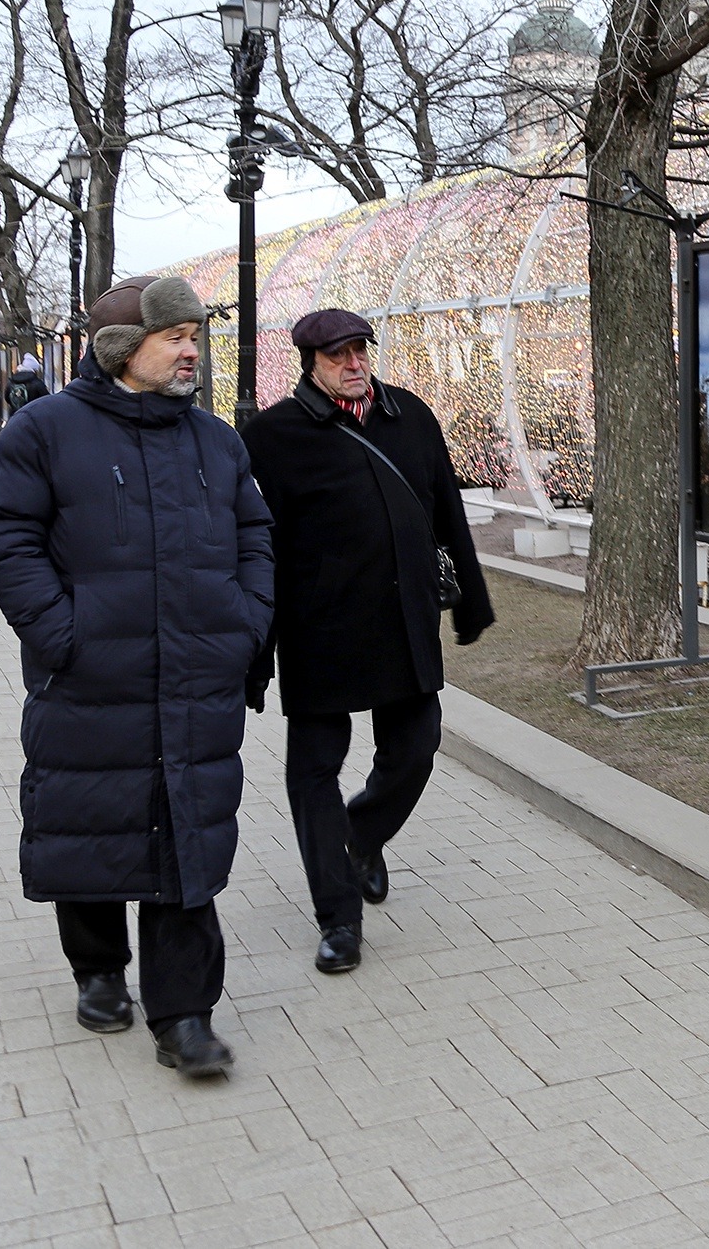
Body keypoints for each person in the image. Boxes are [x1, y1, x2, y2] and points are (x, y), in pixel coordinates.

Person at [0, 276, 274, 1079]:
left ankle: (185, 1016)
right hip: (91, 680)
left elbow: (256, 533)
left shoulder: (216, 441)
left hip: (199, 680)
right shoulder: (45, 430)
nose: (189, 348)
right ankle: (98, 967)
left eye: (193, 334)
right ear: (119, 348)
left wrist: (246, 623)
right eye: (173, 334)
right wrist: (60, 632)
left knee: (186, 839)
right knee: (94, 823)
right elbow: (2, 533)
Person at [243, 309, 493, 974]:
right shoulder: (272, 435)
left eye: (361, 350)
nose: (354, 363)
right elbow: (255, 549)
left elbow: (448, 511)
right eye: (338, 355)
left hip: (403, 622)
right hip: (319, 631)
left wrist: (472, 597)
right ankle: (338, 918)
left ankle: (359, 837)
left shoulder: (410, 416)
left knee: (415, 748)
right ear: (311, 363)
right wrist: (254, 652)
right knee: (313, 771)